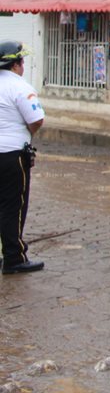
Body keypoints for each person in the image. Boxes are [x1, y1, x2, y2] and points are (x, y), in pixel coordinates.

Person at [0, 42, 45, 275]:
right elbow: (36, 119)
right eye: (22, 62)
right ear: (17, 64)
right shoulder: (20, 87)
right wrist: (27, 135)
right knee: (13, 206)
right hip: (12, 156)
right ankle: (14, 258)